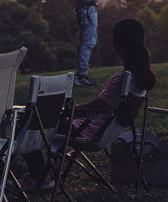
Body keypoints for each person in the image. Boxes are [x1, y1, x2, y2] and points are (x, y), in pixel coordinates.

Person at [19, 18, 158, 190]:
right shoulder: (140, 78)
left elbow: (99, 106)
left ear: (118, 45)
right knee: (39, 122)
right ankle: (47, 171)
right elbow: (103, 107)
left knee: (27, 123)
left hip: (89, 130)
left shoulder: (123, 79)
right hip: (101, 130)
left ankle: (38, 177)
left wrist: (69, 112)